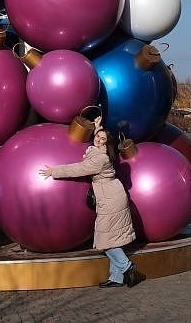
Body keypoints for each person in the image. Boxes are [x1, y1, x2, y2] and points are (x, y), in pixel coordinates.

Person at [39, 117, 144, 288]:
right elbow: (98, 140)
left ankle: (127, 267)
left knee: (105, 240)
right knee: (113, 239)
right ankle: (117, 278)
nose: (98, 139)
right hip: (112, 194)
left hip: (111, 198)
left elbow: (78, 169)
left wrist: (54, 171)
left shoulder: (100, 158)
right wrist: (97, 127)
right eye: (98, 136)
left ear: (106, 143)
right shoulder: (100, 151)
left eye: (102, 139)